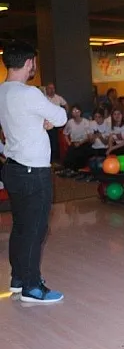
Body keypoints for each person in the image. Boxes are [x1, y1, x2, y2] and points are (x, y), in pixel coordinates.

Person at [0, 41, 68, 303]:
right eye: (34, 63)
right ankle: (31, 286)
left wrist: (41, 120)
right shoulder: (29, 94)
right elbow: (61, 117)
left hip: (13, 169)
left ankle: (18, 278)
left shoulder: (3, 92)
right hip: (33, 172)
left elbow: (23, 120)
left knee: (20, 226)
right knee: (35, 230)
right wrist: (47, 118)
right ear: (29, 63)